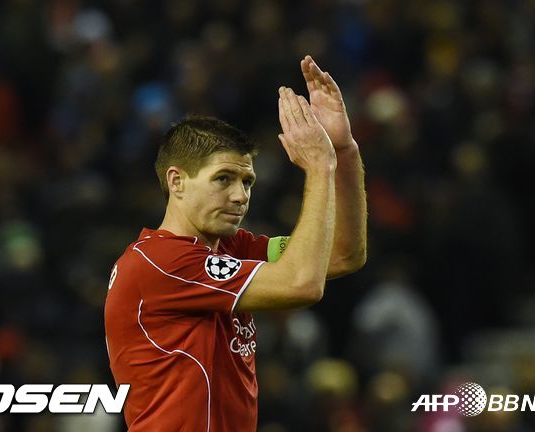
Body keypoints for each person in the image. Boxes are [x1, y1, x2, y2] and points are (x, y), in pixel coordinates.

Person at [104, 55, 367, 431]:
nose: (241, 196)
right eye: (223, 179)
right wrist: (318, 167)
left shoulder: (232, 249)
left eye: (247, 182)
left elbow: (343, 254)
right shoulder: (158, 262)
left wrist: (343, 152)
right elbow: (303, 284)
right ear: (177, 181)